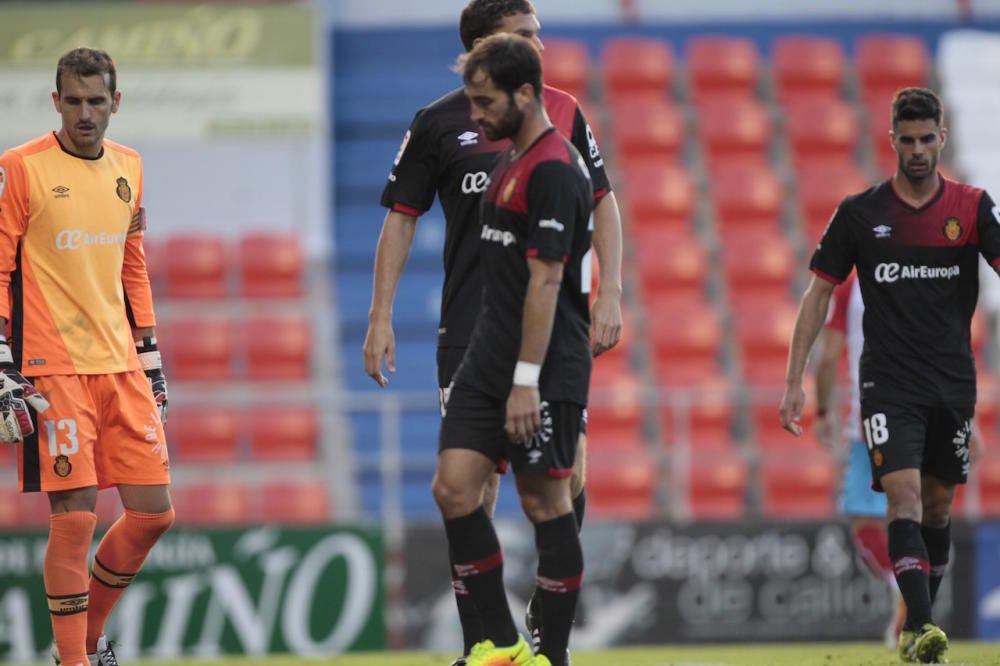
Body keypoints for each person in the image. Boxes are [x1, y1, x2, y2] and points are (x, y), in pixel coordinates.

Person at [363, 1, 622, 662]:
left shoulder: (560, 121)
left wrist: (610, 291)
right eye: (524, 34)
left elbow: (603, 202)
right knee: (466, 489)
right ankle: (487, 642)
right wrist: (379, 316)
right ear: (484, 47)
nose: (540, 43)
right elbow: (401, 217)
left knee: (566, 483)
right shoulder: (440, 122)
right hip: (469, 334)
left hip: (549, 334)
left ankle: (546, 632)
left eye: (538, 33)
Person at [781, 87, 1000, 664]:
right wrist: (794, 378)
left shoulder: (973, 208)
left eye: (928, 139)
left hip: (951, 383)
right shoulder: (861, 213)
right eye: (908, 141)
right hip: (887, 386)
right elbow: (817, 296)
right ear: (893, 141)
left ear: (942, 138)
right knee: (899, 499)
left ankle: (916, 616)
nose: (919, 150)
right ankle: (922, 627)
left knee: (937, 509)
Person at [0, 48, 172, 666]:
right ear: (55, 103)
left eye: (96, 101)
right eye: (72, 101)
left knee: (154, 514)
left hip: (122, 366)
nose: (84, 113)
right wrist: (0, 360)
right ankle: (74, 660)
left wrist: (151, 361)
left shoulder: (130, 167)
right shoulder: (19, 168)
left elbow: (134, 267)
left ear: (115, 103)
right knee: (74, 519)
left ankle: (89, 641)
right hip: (55, 367)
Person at [433, 33, 592, 666]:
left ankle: (550, 655)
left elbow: (549, 281)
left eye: (485, 101)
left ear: (524, 94)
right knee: (453, 489)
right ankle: (500, 643)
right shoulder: (510, 159)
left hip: (543, 366)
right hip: (486, 359)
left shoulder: (555, 168)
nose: (474, 116)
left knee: (544, 503)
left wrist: (527, 378)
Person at [814, 273, 906, 646]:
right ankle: (913, 599)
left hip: (873, 415)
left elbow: (829, 355)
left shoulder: (852, 287)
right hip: (921, 410)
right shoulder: (920, 268)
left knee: (862, 516)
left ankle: (901, 584)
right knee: (909, 511)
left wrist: (822, 411)